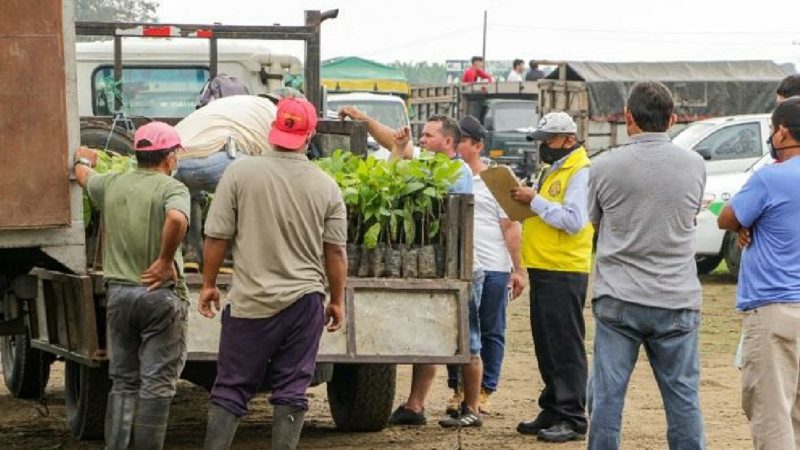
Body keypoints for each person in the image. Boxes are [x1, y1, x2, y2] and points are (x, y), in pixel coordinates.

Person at [198, 97, 346, 450]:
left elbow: (216, 236)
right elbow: (336, 251)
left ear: (273, 130)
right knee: (292, 388)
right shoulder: (326, 185)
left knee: (231, 387)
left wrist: (208, 284)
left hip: (250, 303)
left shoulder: (239, 173)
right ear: (310, 135)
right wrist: (337, 300)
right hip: (304, 303)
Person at [588, 81, 706, 450]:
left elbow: (595, 223)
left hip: (619, 296)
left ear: (628, 118)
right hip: (676, 296)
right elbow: (688, 216)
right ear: (672, 119)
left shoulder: (604, 165)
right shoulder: (695, 165)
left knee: (607, 397)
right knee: (683, 399)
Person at [73, 122, 190, 450]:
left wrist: (83, 158)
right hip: (159, 296)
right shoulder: (172, 188)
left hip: (120, 295)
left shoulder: (112, 183)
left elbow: (82, 176)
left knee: (123, 381)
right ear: (169, 157)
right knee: (156, 384)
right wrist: (165, 261)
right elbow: (177, 218)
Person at [718, 96, 800, 449]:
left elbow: (727, 217)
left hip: (775, 309)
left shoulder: (769, 178)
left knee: (771, 415)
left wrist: (743, 224)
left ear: (781, 132)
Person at [509, 111, 593, 443]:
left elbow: (573, 220)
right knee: (546, 344)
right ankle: (554, 406)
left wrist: (535, 201)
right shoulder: (553, 168)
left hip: (565, 268)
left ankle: (572, 416)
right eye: (541, 140)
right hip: (544, 266)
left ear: (568, 139)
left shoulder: (580, 171)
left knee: (565, 345)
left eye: (549, 140)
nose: (543, 146)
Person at [387, 115, 474, 426]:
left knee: (465, 340)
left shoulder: (459, 172)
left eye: (428, 136)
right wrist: (398, 149)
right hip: (428, 261)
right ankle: (415, 405)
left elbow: (435, 200)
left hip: (451, 264)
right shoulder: (427, 165)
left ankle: (471, 407)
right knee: (428, 333)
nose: (422, 140)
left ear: (448, 141)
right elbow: (390, 181)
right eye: (421, 136)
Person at [442, 116, 527, 422]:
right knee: (459, 331)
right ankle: (459, 389)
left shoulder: (496, 180)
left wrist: (518, 269)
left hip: (492, 266)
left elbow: (511, 226)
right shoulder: (449, 174)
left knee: (490, 330)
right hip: (461, 266)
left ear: (478, 146)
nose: (457, 146)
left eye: (463, 141)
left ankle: (484, 390)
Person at [174, 90, 303, 269]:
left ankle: (192, 253)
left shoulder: (241, 102)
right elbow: (275, 166)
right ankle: (228, 255)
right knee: (253, 186)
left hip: (173, 160)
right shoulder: (274, 115)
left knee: (190, 193)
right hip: (214, 159)